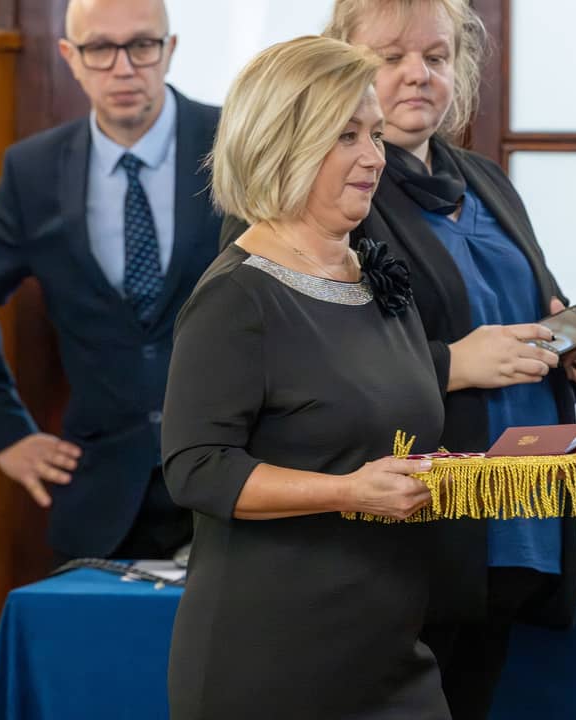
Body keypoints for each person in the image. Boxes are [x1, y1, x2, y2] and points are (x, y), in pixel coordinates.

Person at [221, 2, 576, 716]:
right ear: (340, 63)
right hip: (405, 526)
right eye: (391, 57)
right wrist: (453, 363)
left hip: (517, 518)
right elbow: (301, 363)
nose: (418, 75)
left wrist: (564, 352)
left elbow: (523, 316)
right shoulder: (312, 193)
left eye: (436, 57)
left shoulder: (487, 180)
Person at [162, 36, 450, 719]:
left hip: (390, 650)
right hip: (270, 661)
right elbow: (196, 468)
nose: (375, 157)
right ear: (281, 145)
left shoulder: (377, 277)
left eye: (374, 133)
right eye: (347, 136)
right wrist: (347, 491)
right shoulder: (237, 297)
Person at [0, 0, 221, 560]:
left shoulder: (233, 141)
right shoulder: (35, 170)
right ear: (70, 56)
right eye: (99, 49)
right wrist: (6, 431)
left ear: (169, 49)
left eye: (141, 45)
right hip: (100, 493)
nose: (123, 68)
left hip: (231, 475)